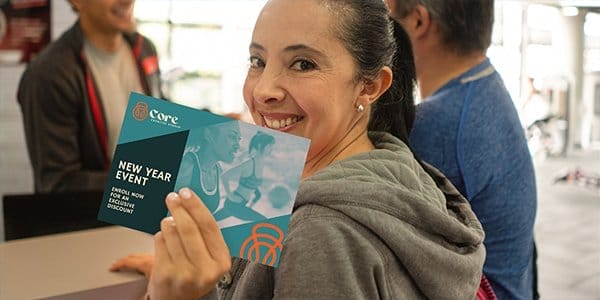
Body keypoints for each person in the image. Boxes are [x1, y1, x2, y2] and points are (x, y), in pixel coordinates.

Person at [110, 0, 487, 298]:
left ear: (370, 86)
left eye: (303, 64)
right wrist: (197, 275)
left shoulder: (320, 234)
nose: (262, 90)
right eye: (257, 60)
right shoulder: (390, 164)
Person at [386, 1, 538, 299]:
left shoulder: (438, 124)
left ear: (418, 21)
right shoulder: (487, 85)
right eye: (261, 61)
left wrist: (272, 147)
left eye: (388, 18)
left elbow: (266, 245)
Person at [17, 0, 164, 193]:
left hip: (148, 213)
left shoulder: (144, 48)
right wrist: (147, 183)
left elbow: (158, 123)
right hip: (91, 221)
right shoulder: (49, 74)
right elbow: (58, 184)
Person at [174, 122, 242, 214]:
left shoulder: (217, 170)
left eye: (239, 139)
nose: (238, 146)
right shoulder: (187, 165)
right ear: (209, 134)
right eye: (232, 137)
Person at [214, 131, 275, 223]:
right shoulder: (250, 163)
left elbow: (252, 186)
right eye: (269, 146)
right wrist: (230, 195)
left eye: (272, 146)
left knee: (210, 221)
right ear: (259, 145)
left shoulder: (261, 163)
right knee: (265, 222)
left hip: (241, 204)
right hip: (234, 204)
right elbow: (225, 176)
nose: (271, 149)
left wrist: (253, 202)